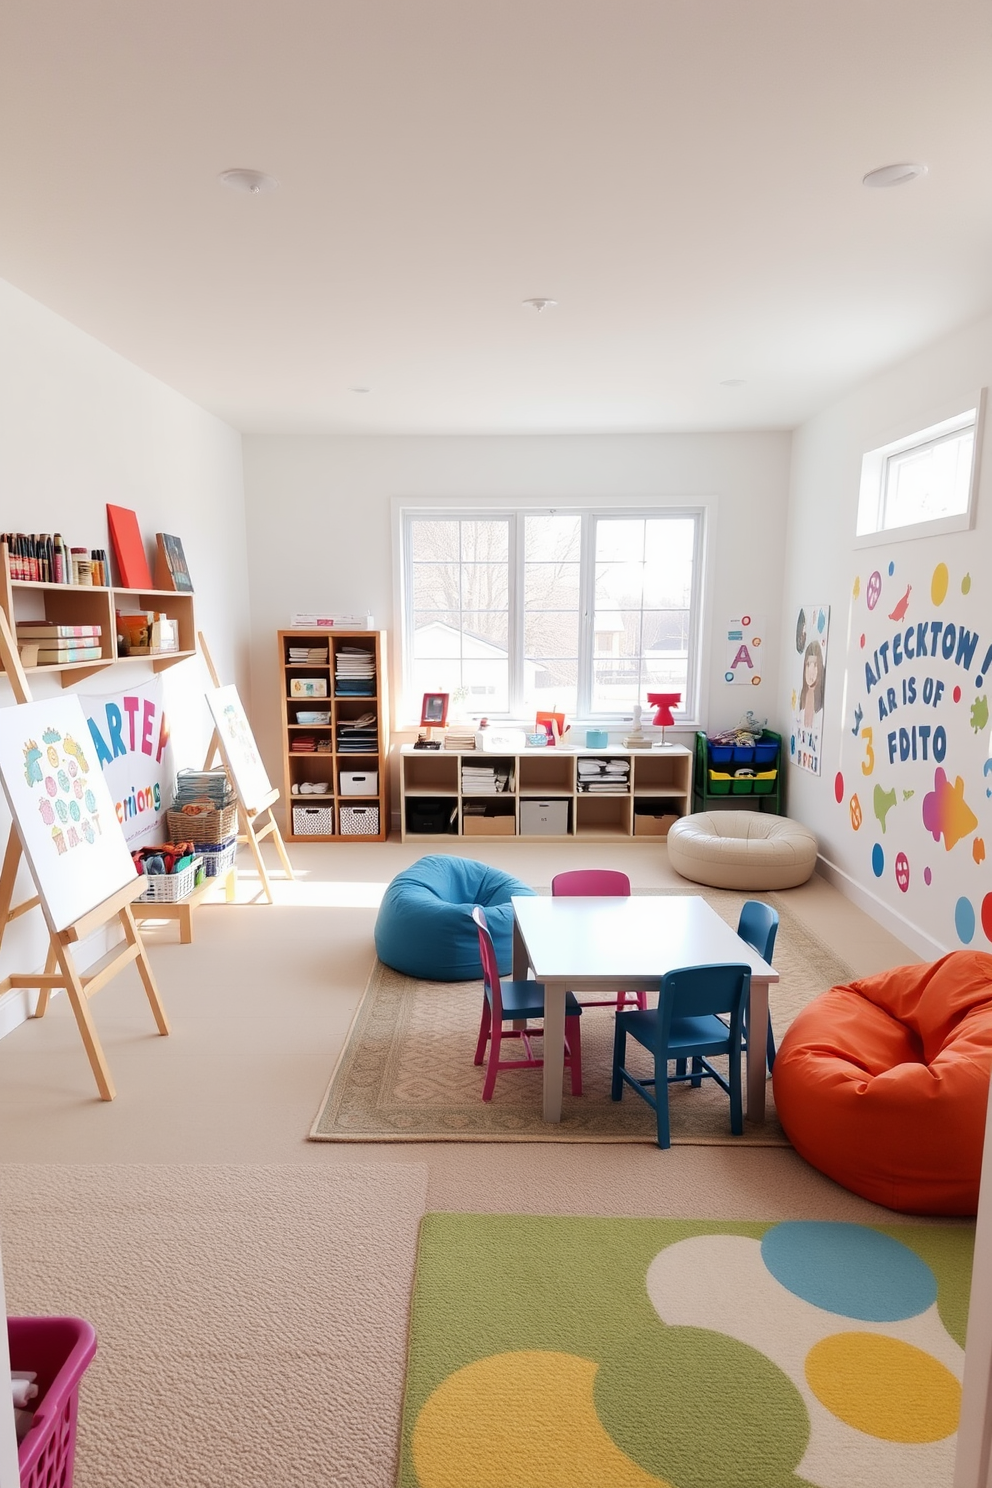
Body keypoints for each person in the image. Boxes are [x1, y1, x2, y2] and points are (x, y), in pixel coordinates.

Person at [799, 640, 824, 728]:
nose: (811, 671)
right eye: (808, 665)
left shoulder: (820, 702)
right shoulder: (802, 697)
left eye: (815, 665)